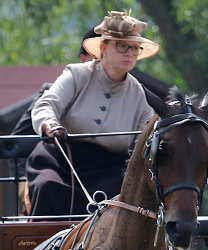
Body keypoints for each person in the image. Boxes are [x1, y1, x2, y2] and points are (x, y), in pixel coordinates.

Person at [27, 11, 160, 217]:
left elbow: (146, 142)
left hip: (109, 171)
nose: (130, 53)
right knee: (46, 187)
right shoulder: (76, 74)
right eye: (122, 46)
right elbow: (46, 105)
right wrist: (49, 125)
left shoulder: (140, 96)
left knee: (123, 196)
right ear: (104, 48)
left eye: (135, 48)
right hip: (61, 161)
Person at [10, 28, 101, 215]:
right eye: (99, 57)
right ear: (83, 59)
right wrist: (23, 179)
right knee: (45, 187)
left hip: (100, 171)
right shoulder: (52, 92)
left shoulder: (129, 93)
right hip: (55, 170)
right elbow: (18, 139)